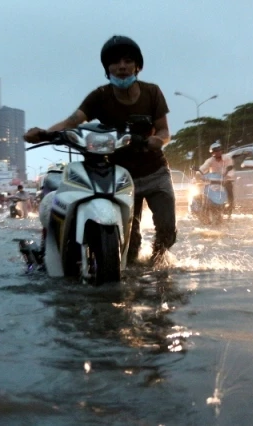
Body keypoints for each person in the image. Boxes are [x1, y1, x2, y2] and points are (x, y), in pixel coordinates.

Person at [24, 35, 176, 265]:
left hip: (155, 172)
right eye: (115, 62)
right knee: (130, 241)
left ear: (137, 66)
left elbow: (164, 130)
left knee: (167, 230)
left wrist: (159, 140)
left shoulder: (152, 92)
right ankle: (130, 272)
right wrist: (44, 133)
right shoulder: (100, 96)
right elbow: (71, 122)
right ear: (107, 69)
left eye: (128, 61)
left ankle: (158, 267)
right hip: (121, 176)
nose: (122, 67)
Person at [199, 140, 235, 218]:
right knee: (205, 191)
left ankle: (230, 208)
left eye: (219, 150)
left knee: (229, 189)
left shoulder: (227, 159)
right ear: (212, 153)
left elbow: (230, 170)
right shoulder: (210, 160)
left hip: (225, 181)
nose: (218, 152)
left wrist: (228, 177)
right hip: (213, 182)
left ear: (221, 151)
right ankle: (205, 208)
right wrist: (199, 173)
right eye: (215, 151)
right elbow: (203, 168)